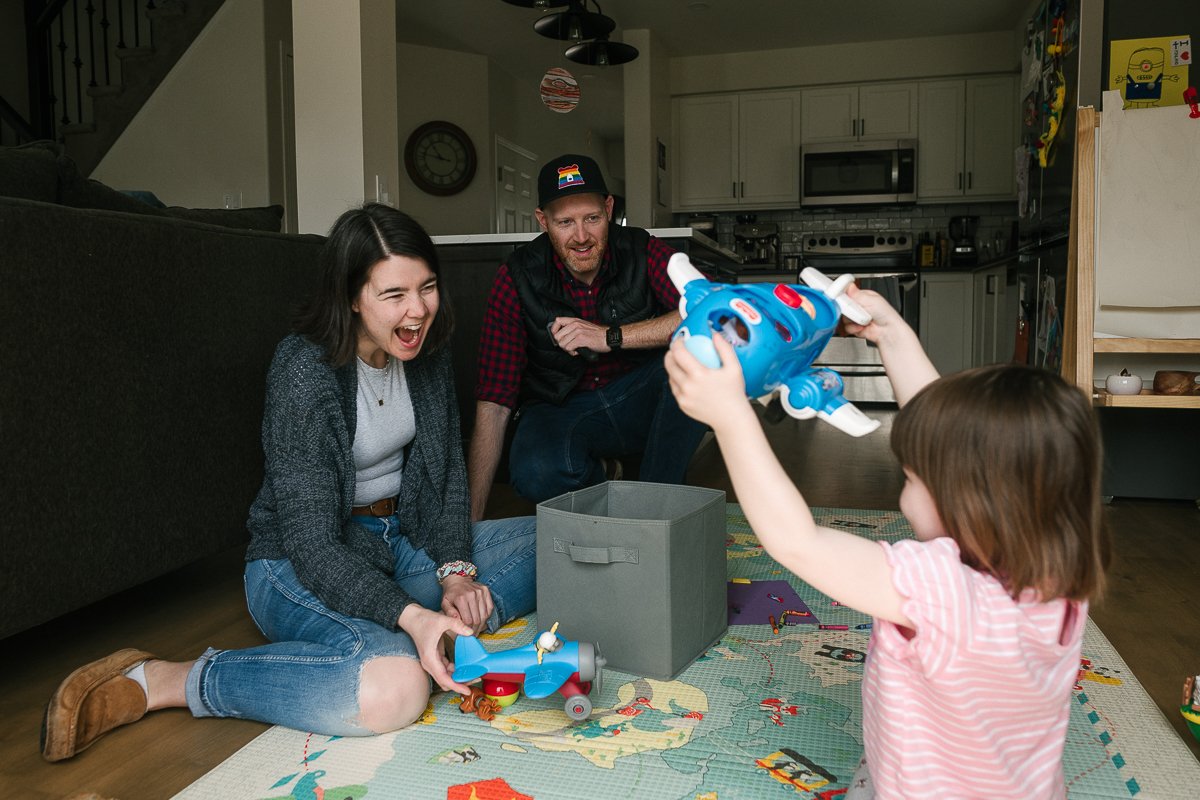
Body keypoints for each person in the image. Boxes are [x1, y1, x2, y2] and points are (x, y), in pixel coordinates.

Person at [41, 204, 537, 761]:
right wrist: (415, 614)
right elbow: (312, 544)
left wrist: (455, 574)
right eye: (393, 295)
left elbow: (446, 480)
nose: (418, 310)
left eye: (427, 287)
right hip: (298, 561)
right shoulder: (304, 371)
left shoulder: (426, 350)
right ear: (351, 296)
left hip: (401, 540)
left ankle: (431, 630)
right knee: (393, 690)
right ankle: (171, 679)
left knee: (562, 545)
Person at [664, 285, 1111, 798]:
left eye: (912, 479)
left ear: (969, 500)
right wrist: (891, 335)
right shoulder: (1060, 575)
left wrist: (730, 417)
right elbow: (947, 442)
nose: (904, 492)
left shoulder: (942, 590)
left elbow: (797, 541)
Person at [468, 153, 707, 519]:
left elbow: (709, 312)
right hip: (561, 406)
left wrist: (610, 336)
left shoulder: (642, 249)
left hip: (636, 395)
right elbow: (494, 402)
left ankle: (654, 510)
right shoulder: (516, 277)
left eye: (592, 218)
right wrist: (468, 529)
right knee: (535, 473)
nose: (581, 237)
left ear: (609, 209)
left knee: (701, 356)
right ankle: (611, 477)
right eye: (565, 222)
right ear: (543, 221)